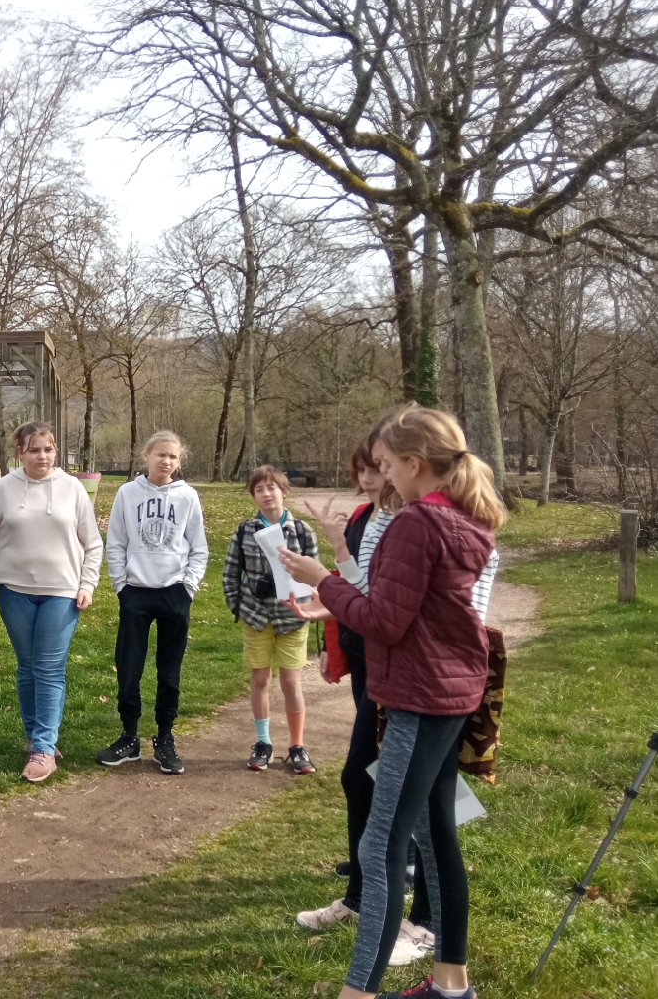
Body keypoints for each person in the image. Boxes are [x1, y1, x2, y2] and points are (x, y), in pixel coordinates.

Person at [280, 405, 505, 999]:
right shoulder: (466, 517)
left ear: (415, 462)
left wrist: (321, 579)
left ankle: (358, 991)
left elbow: (384, 620)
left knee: (379, 845)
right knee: (436, 831)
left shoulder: (418, 523)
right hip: (451, 692)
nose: (382, 476)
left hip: (419, 697)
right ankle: (452, 986)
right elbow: (418, 611)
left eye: (386, 464)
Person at [0, 421, 103, 784]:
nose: (42, 456)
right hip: (14, 591)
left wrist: (88, 584)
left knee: (50, 668)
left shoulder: (72, 489)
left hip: (62, 591)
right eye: (34, 450)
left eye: (48, 449)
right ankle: (34, 736)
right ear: (20, 453)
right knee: (27, 667)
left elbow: (93, 543)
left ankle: (44, 748)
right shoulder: (5, 488)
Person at [97, 430, 208, 775]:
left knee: (169, 671)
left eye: (173, 456)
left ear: (179, 460)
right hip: (136, 593)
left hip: (174, 593)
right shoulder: (128, 494)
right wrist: (122, 586)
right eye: (160, 454)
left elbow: (199, 547)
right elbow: (116, 542)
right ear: (146, 456)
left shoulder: (187, 496)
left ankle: (165, 737)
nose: (166, 461)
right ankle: (129, 736)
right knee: (129, 667)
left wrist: (188, 586)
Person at [222, 465, 320, 773]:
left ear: (284, 491)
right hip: (256, 616)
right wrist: (238, 606)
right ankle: (262, 742)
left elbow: (316, 574)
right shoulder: (244, 531)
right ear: (253, 495)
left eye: (272, 488)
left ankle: (297, 746)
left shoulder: (302, 531)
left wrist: (307, 602)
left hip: (292, 617)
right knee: (260, 678)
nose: (266, 494)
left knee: (291, 681)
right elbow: (230, 572)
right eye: (259, 489)